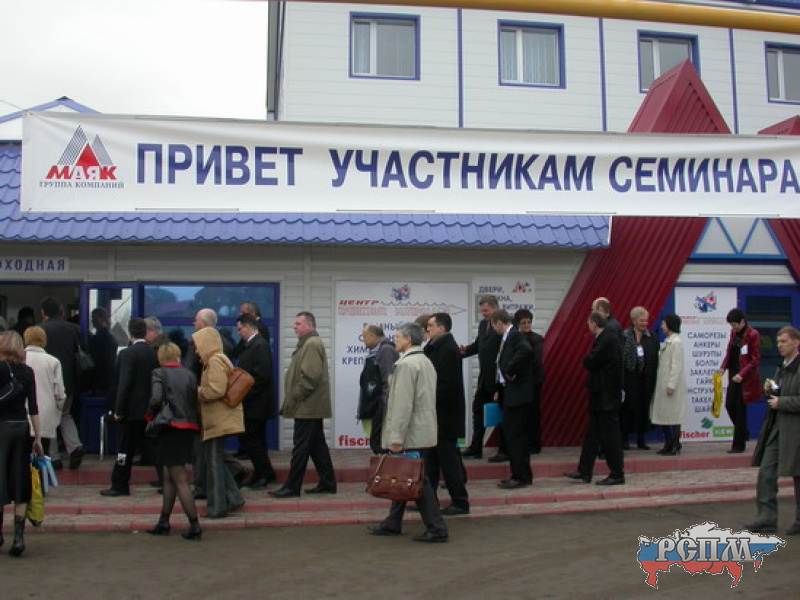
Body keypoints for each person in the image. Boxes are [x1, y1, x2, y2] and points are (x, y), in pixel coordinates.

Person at [367, 322, 449, 543]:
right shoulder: (425, 361)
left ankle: (436, 528)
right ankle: (393, 522)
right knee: (403, 474)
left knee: (416, 479)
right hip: (421, 429)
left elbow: (402, 406)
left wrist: (396, 438)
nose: (395, 340)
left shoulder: (406, 365)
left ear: (408, 340)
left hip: (410, 432)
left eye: (398, 337)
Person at [270, 312, 337, 498]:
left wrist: (296, 395)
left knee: (300, 448)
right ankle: (328, 483)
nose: (295, 327)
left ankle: (292, 487)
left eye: (298, 323)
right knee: (317, 447)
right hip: (310, 406)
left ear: (309, 325)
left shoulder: (311, 344)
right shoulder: (307, 343)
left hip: (307, 406)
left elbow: (310, 376)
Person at [145, 343, 202, 540]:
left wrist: (150, 417)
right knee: (169, 475)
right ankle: (164, 521)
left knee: (179, 478)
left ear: (161, 357)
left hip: (169, 427)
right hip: (188, 427)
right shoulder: (190, 375)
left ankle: (194, 525)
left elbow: (155, 399)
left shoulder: (158, 373)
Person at [748, 326, 800, 535]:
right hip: (777, 428)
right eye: (778, 342)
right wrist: (772, 390)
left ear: (796, 342)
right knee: (766, 472)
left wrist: (782, 402)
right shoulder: (782, 367)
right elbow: (781, 393)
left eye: (784, 341)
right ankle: (766, 518)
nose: (779, 345)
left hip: (795, 430)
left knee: (798, 474)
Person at [100, 318, 160, 497]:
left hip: (130, 410)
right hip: (149, 408)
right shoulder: (153, 353)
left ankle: (120, 483)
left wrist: (118, 409)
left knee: (124, 449)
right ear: (145, 331)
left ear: (130, 332)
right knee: (153, 446)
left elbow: (124, 383)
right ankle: (166, 480)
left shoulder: (127, 354)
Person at [565, 312, 625, 485]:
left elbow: (591, 361)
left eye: (589, 323)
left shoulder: (607, 339)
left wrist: (587, 359)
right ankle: (584, 470)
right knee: (592, 436)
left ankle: (617, 473)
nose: (588, 326)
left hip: (606, 397)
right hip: (601, 396)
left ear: (593, 323)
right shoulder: (606, 338)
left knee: (610, 436)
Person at [193, 326, 245, 518]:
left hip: (218, 420)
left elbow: (216, 390)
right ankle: (234, 498)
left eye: (198, 346)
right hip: (218, 419)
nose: (196, 350)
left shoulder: (214, 361)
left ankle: (217, 507)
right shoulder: (218, 359)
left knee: (214, 463)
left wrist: (197, 391)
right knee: (216, 461)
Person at [0, 331, 44, 557]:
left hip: (1, 428)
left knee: (0, 478)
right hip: (21, 428)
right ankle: (18, 538)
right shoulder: (27, 372)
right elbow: (33, 407)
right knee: (20, 479)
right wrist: (37, 438)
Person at [424, 313, 469, 514]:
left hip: (445, 417)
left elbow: (447, 386)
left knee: (449, 463)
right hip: (434, 416)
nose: (427, 329)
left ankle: (460, 502)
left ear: (441, 328)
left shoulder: (448, 349)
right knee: (430, 462)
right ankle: (428, 500)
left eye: (430, 326)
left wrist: (425, 398)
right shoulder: (434, 347)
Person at [40, 296, 85, 470]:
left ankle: (54, 457)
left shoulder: (40, 329)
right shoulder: (74, 329)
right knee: (65, 414)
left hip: (47, 380)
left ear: (43, 312)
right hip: (69, 380)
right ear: (61, 312)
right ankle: (75, 446)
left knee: (49, 417)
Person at [491, 310, 535, 489]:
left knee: (515, 437)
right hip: (510, 392)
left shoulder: (514, 336)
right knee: (515, 436)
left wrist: (510, 369)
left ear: (499, 323)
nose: (494, 329)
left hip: (517, 396)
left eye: (494, 325)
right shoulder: (508, 337)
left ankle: (520, 476)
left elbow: (526, 350)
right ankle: (520, 474)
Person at [235, 313, 277, 489]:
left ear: (247, 327)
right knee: (253, 440)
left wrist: (242, 393)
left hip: (257, 404)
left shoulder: (259, 345)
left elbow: (261, 376)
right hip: (252, 403)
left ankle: (265, 473)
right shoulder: (250, 345)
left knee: (253, 440)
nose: (238, 333)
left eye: (239, 329)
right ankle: (261, 472)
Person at [460, 294, 503, 461]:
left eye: (486, 310)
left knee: (501, 415)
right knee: (478, 410)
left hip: (499, 378)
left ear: (495, 307)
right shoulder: (484, 324)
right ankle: (475, 448)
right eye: (482, 311)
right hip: (484, 378)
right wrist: (463, 352)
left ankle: (504, 450)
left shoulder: (504, 324)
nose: (484, 314)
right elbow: (478, 346)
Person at [719, 308, 762, 454]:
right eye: (731, 325)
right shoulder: (734, 334)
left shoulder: (753, 335)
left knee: (739, 410)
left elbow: (755, 359)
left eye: (735, 325)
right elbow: (729, 352)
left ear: (743, 322)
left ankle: (738, 445)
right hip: (733, 375)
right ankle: (743, 432)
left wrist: (742, 374)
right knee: (729, 405)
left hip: (745, 377)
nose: (733, 328)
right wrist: (723, 367)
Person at [23, 326, 66, 459]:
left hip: (22, 413)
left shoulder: (19, 359)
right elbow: (59, 393)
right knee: (42, 453)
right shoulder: (53, 361)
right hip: (46, 413)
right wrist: (58, 410)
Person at [620, 306, 659, 450]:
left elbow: (655, 357)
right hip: (629, 379)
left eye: (646, 321)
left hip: (646, 379)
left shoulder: (652, 336)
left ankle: (641, 440)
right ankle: (624, 440)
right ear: (634, 320)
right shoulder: (624, 336)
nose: (644, 323)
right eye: (641, 320)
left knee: (643, 408)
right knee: (627, 409)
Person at [357, 324, 399, 453]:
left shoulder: (386, 350)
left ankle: (386, 466)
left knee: (379, 444)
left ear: (373, 336)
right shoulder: (377, 351)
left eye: (364, 336)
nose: (363, 340)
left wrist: (384, 406)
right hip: (375, 405)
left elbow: (389, 379)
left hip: (382, 406)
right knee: (376, 443)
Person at [651, 314, 687, 456]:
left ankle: (675, 444)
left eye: (664, 324)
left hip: (671, 387)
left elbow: (676, 366)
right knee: (664, 415)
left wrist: (671, 385)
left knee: (673, 416)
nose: (661, 327)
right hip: (663, 385)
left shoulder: (676, 342)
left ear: (670, 325)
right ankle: (668, 443)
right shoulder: (668, 341)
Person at [514, 309, 545, 454]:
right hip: (520, 381)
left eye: (529, 322)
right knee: (522, 414)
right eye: (523, 323)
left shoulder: (536, 339)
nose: (527, 325)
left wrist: (518, 369)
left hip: (533, 381)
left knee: (532, 412)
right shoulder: (515, 338)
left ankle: (534, 444)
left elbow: (536, 361)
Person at [87, 307, 119, 404]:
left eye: (94, 318)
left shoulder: (100, 339)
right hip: (107, 381)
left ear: (101, 318)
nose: (92, 321)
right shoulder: (109, 337)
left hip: (99, 381)